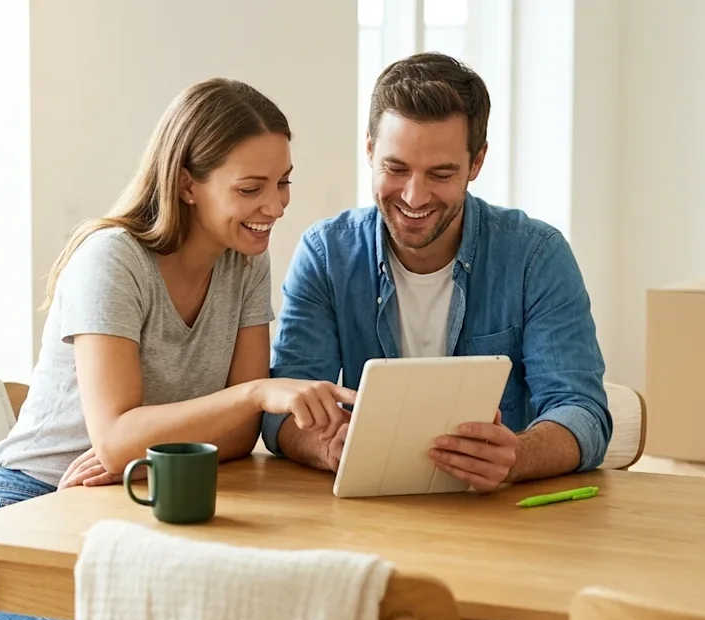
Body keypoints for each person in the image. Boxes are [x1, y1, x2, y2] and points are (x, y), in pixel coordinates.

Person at [0, 78, 356, 620]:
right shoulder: (112, 260)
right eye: (251, 188)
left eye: (283, 183)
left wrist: (149, 444)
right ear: (186, 184)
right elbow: (123, 438)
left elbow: (236, 435)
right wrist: (244, 395)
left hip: (134, 503)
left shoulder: (244, 258)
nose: (275, 207)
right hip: (33, 511)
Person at [262, 53, 612, 492]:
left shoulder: (535, 256)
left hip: (500, 517)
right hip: (366, 509)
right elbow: (281, 411)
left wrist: (517, 456)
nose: (413, 196)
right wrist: (325, 447)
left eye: (441, 173)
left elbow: (581, 411)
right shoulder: (326, 254)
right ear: (369, 150)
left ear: (477, 162)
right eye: (395, 168)